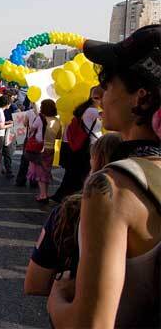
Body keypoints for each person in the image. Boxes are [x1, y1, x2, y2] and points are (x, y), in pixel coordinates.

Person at [47, 24, 161, 328]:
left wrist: (56, 296)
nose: (98, 94)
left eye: (108, 83)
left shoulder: (112, 186)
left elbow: (91, 324)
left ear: (142, 98)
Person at [24, 133, 122, 296]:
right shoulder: (145, 207)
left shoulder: (71, 210)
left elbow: (35, 284)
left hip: (76, 303)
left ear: (95, 160)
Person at [51, 86, 103, 202]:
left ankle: (64, 195)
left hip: (84, 146)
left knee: (75, 173)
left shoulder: (86, 109)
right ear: (95, 98)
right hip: (90, 146)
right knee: (83, 173)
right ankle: (77, 198)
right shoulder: (92, 111)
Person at [26, 99, 62, 202]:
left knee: (39, 172)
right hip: (51, 148)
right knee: (46, 171)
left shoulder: (40, 118)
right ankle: (45, 193)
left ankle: (43, 195)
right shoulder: (57, 120)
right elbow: (58, 136)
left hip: (39, 148)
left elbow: (32, 130)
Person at [0, 95, 14, 178]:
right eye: (9, 103)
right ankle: (3, 170)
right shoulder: (0, 111)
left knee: (2, 152)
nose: (10, 105)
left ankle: (1, 168)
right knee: (4, 152)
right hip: (0, 134)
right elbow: (0, 126)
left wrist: (7, 122)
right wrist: (10, 125)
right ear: (6, 103)